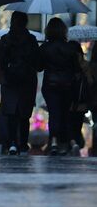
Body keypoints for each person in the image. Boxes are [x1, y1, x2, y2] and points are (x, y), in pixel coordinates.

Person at [0, 11, 39, 156]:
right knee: (24, 114)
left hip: (10, 80)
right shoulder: (31, 40)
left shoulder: (5, 40)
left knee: (11, 113)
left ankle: (12, 143)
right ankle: (23, 144)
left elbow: (1, 61)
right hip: (27, 80)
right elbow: (38, 63)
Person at [39, 18, 79, 156]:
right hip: (68, 84)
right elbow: (76, 68)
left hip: (50, 84)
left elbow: (39, 67)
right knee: (66, 113)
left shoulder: (45, 48)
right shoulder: (71, 47)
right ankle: (72, 141)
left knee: (54, 112)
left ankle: (54, 141)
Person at [67, 41, 91, 156]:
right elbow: (90, 82)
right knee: (77, 125)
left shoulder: (66, 64)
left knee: (68, 124)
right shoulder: (86, 65)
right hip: (81, 102)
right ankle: (76, 142)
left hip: (67, 101)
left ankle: (72, 143)